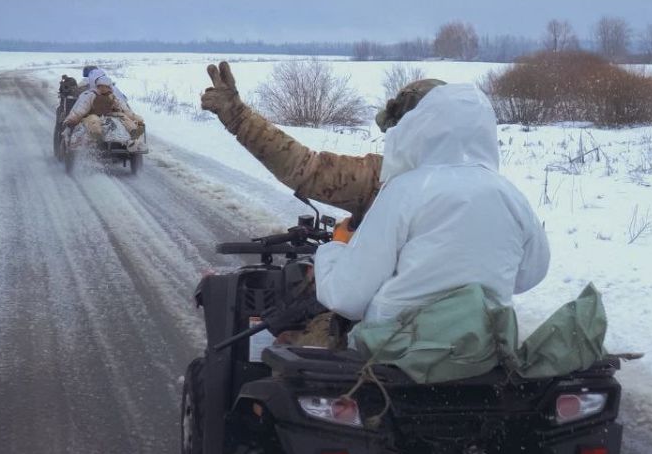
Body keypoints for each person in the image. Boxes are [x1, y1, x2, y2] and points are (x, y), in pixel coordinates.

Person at [312, 83, 549, 324]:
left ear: (420, 129)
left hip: (397, 347)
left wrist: (337, 247)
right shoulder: (511, 195)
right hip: (483, 345)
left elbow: (345, 297)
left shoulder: (404, 190)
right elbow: (531, 274)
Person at [201, 61, 443, 219]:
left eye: (397, 130)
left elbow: (304, 169)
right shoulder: (478, 182)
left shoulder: (387, 178)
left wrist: (239, 118)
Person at [64, 74, 144, 141]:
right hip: (92, 114)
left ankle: (134, 131)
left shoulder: (112, 96)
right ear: (98, 86)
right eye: (101, 86)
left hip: (109, 115)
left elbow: (124, 109)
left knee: (123, 116)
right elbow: (81, 109)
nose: (104, 88)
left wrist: (135, 118)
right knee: (93, 120)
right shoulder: (91, 95)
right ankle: (96, 133)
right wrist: (72, 119)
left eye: (106, 86)